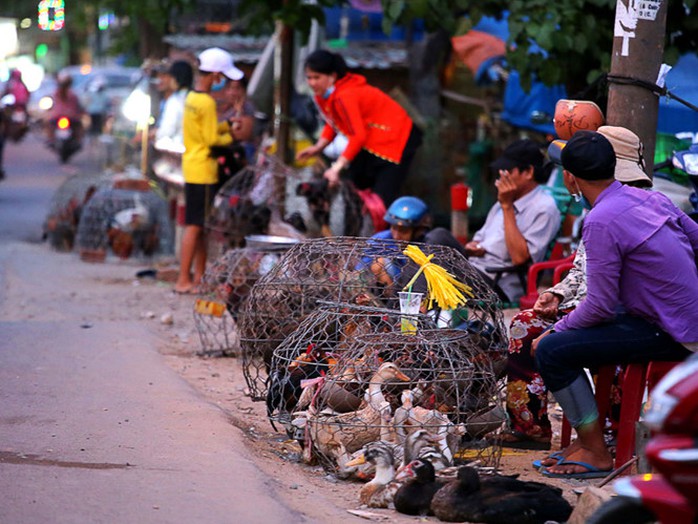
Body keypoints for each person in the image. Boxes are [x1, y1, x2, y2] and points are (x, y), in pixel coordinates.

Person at [532, 131, 698, 479]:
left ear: (570, 178)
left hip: (674, 331)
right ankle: (586, 440)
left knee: (551, 350)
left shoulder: (600, 219)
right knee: (565, 339)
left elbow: (600, 308)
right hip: (674, 319)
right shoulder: (652, 199)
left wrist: (553, 332)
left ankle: (596, 451)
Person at [501, 126, 654, 450]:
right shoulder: (602, 207)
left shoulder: (624, 209)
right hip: (597, 306)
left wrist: (564, 325)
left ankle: (606, 433)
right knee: (524, 326)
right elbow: (583, 269)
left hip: (625, 313)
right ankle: (532, 426)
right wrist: (557, 293)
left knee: (553, 342)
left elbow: (607, 298)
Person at [295, 49, 422, 207]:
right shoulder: (325, 95)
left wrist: (336, 168)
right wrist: (318, 147)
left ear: (332, 77)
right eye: (309, 78)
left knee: (379, 201)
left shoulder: (345, 96)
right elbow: (333, 121)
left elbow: (358, 136)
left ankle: (380, 225)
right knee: (357, 189)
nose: (312, 83)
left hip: (396, 140)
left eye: (317, 77)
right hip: (372, 141)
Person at [174, 48, 241, 295]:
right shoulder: (207, 102)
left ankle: (199, 278)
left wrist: (225, 127)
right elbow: (212, 139)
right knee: (194, 225)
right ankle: (183, 279)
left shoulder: (192, 98)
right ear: (214, 75)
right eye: (222, 77)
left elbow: (206, 132)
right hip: (204, 169)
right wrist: (232, 134)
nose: (223, 83)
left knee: (200, 225)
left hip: (192, 165)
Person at [464, 139, 561, 302]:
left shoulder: (545, 208)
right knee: (436, 240)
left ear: (528, 172)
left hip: (496, 283)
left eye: (508, 170)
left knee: (435, 265)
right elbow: (479, 239)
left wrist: (507, 207)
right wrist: (474, 247)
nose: (502, 176)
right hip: (473, 269)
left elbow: (519, 258)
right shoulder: (504, 201)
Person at [154, 60, 194, 153]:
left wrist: (156, 134)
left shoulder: (175, 101)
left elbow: (167, 130)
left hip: (177, 149)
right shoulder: (193, 97)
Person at [45, 71, 86, 145]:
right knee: (79, 126)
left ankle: (51, 139)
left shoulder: (56, 93)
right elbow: (78, 107)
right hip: (71, 117)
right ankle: (78, 140)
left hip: (58, 116)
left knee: (49, 124)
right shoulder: (72, 94)